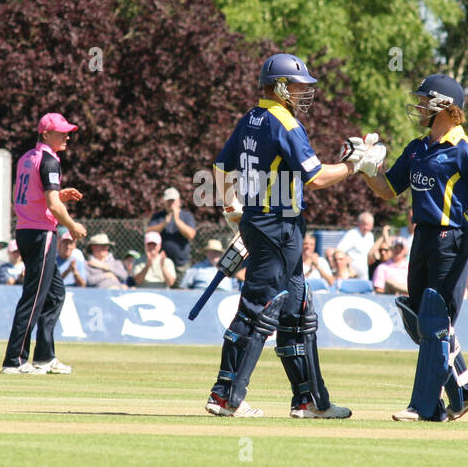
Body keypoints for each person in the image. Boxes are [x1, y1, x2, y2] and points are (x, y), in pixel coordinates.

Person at [206, 52, 373, 419]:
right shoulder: (286, 123)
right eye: (298, 86)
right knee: (259, 308)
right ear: (280, 87)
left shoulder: (250, 118)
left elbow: (221, 167)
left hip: (263, 222)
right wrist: (353, 166)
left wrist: (233, 210)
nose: (303, 93)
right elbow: (317, 178)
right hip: (279, 226)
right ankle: (225, 394)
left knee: (298, 311)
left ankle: (310, 401)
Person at [361, 72, 468, 422]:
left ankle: (423, 407)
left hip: (453, 239)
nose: (420, 105)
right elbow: (387, 189)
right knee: (418, 318)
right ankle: (464, 389)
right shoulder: (417, 148)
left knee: (435, 321)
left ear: (444, 105)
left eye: (426, 99)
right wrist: (365, 168)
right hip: (422, 236)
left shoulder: (465, 150)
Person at [2, 112, 87, 376]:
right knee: (35, 296)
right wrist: (72, 226)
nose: (67, 136)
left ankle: (44, 356)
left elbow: (34, 195)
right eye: (61, 132)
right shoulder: (50, 161)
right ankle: (15, 360)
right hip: (41, 234)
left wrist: (59, 195)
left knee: (55, 294)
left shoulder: (28, 157)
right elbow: (52, 205)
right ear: (46, 134)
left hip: (26, 231)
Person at [148, 187, 197, 280]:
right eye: (168, 201)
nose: (171, 203)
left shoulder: (187, 216)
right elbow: (149, 233)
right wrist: (164, 223)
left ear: (179, 201)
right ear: (164, 202)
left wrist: (177, 220)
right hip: (163, 263)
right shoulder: (158, 217)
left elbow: (191, 235)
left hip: (181, 264)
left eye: (173, 200)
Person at [333, 212, 377, 281]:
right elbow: (339, 251)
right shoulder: (352, 234)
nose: (366, 227)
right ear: (359, 223)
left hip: (364, 274)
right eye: (364, 224)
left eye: (368, 225)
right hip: (351, 275)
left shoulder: (370, 236)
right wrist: (348, 266)